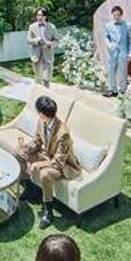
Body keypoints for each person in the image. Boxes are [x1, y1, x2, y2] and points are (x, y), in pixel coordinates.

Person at [17, 95, 80, 229]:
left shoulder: (63, 133)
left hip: (64, 166)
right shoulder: (42, 121)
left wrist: (37, 164)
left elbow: (58, 162)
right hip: (48, 156)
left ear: (41, 113)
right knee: (21, 154)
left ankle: (48, 211)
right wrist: (26, 149)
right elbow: (37, 141)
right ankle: (30, 190)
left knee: (45, 174)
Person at [103, 5, 131, 97]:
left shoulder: (128, 25)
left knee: (123, 71)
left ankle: (123, 90)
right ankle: (112, 89)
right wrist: (109, 45)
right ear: (112, 15)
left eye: (118, 15)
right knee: (111, 70)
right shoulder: (108, 26)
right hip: (113, 51)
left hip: (123, 50)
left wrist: (130, 53)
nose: (116, 17)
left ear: (121, 15)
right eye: (115, 15)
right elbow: (106, 37)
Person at [27, 8, 58, 88]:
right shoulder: (32, 27)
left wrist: (50, 44)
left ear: (45, 16)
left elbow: (56, 41)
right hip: (36, 56)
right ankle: (39, 94)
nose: (40, 17)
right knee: (38, 79)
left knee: (46, 79)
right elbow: (28, 40)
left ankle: (46, 94)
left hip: (47, 56)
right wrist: (36, 40)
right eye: (38, 15)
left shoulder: (52, 27)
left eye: (42, 15)